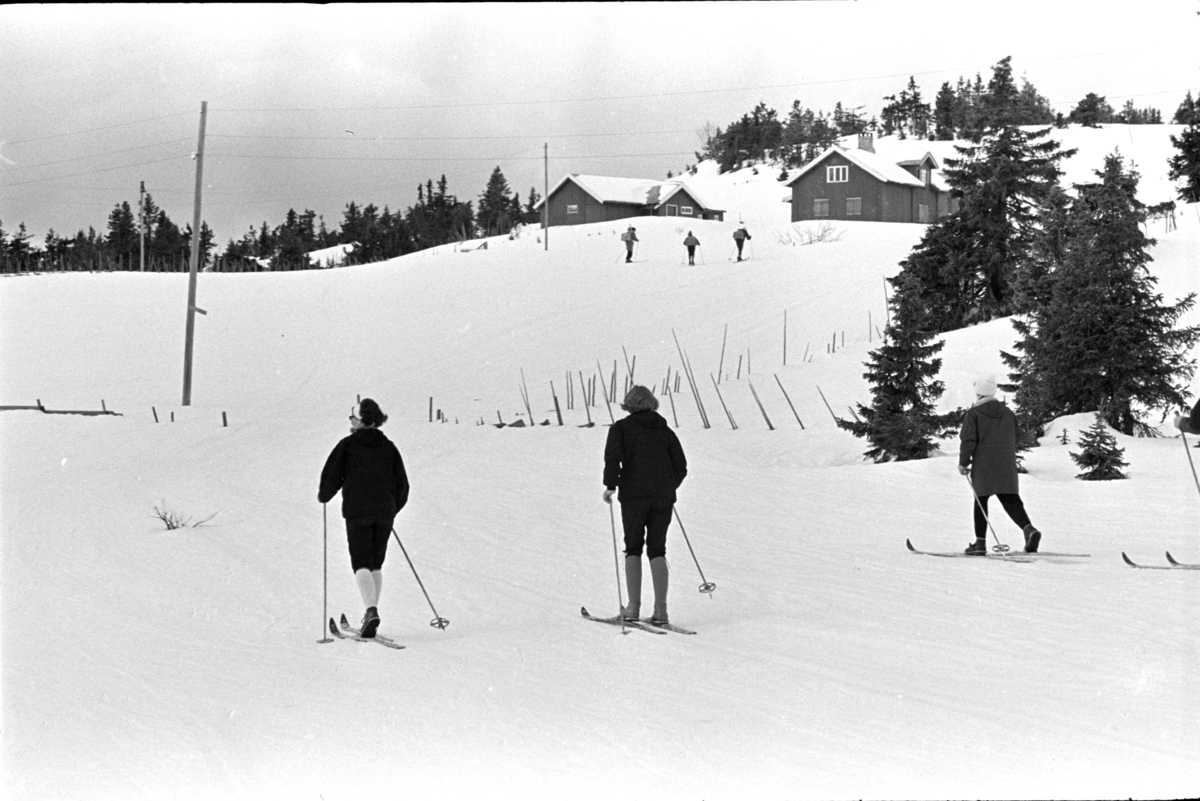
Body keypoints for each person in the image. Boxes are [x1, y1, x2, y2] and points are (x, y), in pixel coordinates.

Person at [319, 398, 410, 637]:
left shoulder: (348, 445)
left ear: (363, 419)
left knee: (361, 562)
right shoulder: (388, 446)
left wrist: (324, 494)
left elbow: (331, 476)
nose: (350, 420)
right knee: (375, 563)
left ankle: (371, 611)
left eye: (353, 416)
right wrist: (391, 508)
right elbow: (403, 485)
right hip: (384, 514)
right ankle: (372, 613)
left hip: (358, 513)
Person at [602, 385, 688, 623]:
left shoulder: (621, 429)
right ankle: (661, 611)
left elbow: (613, 458)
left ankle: (633, 608)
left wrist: (611, 485)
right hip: (663, 497)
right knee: (658, 549)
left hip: (633, 497)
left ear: (629, 404)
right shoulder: (665, 431)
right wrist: (668, 486)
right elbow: (680, 466)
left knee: (633, 547)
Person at [958, 374, 1042, 554]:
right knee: (1011, 499)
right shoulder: (1008, 413)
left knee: (980, 501)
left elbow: (968, 440)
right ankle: (1029, 529)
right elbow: (1017, 436)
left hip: (983, 465)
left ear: (978, 392)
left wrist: (964, 463)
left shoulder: (973, 414)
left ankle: (980, 544)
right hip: (1006, 464)